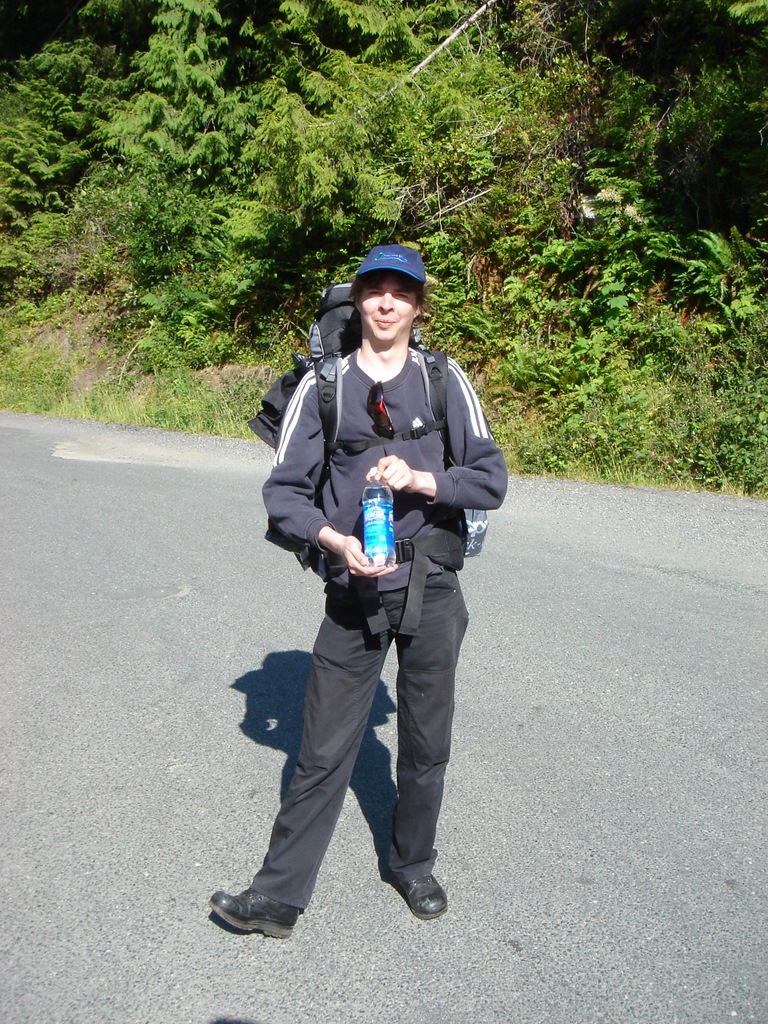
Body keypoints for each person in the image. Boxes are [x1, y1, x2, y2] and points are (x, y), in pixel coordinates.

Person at [210, 244, 508, 938]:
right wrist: (333, 541)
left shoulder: (443, 380)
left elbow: (491, 479)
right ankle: (278, 896)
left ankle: (413, 864)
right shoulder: (326, 386)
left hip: (432, 584)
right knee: (321, 748)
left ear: (418, 305)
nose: (386, 303)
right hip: (353, 588)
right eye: (375, 290)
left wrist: (424, 480)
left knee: (426, 741)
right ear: (359, 300)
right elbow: (284, 493)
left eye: (401, 292)